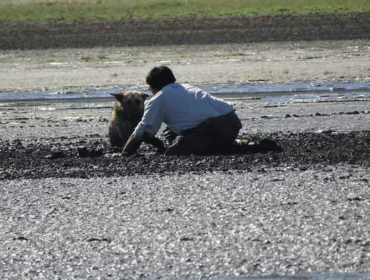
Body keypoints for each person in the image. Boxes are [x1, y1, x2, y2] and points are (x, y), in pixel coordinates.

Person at [122, 66, 242, 156]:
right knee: (217, 147)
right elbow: (195, 114)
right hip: (232, 123)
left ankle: (228, 147)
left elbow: (142, 131)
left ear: (154, 87)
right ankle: (236, 146)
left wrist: (126, 153)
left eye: (150, 87)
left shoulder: (158, 98)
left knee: (173, 155)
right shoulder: (187, 88)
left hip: (213, 130)